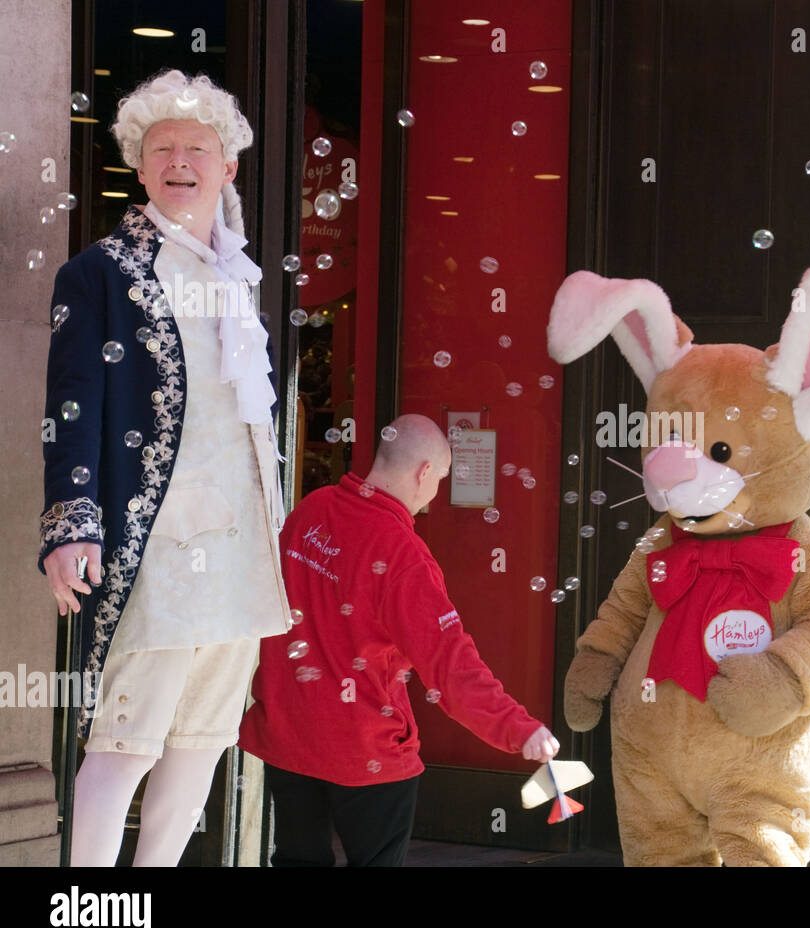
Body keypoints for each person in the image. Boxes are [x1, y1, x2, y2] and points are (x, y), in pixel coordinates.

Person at [40, 70, 291, 866]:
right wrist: (71, 526)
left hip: (243, 552)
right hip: (158, 548)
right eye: (162, 150)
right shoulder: (102, 273)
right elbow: (72, 406)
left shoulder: (239, 279)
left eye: (197, 149)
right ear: (140, 170)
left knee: (201, 745)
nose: (179, 161)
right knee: (124, 744)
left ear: (228, 168)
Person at [238, 415, 560, 866]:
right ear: (425, 472)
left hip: (289, 738)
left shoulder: (311, 509)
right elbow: (451, 667)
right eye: (440, 479)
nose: (435, 493)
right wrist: (518, 728)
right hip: (367, 748)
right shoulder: (403, 555)